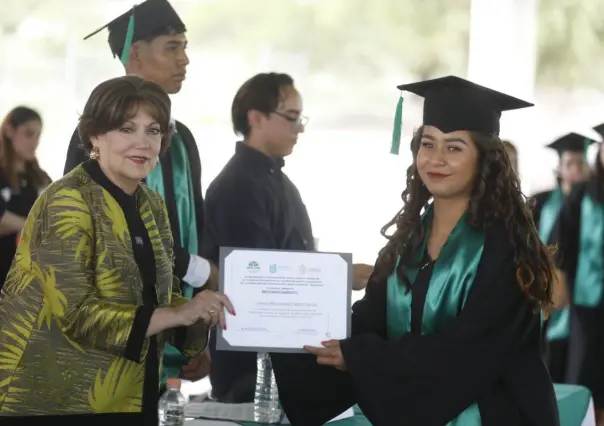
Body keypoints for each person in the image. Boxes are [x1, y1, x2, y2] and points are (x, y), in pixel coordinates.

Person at [270, 76, 559, 426]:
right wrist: (290, 326)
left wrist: (361, 356)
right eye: (428, 143)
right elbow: (370, 319)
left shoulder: (505, 249)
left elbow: (466, 352)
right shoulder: (408, 240)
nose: (436, 159)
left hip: (493, 415)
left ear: (485, 160)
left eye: (454, 148)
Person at [0, 75, 233, 423]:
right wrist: (177, 315)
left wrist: (199, 318)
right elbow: (76, 314)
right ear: (95, 135)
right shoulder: (66, 200)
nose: (142, 143)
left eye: (153, 131)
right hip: (55, 401)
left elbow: (163, 297)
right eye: (126, 128)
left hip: (130, 396)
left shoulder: (150, 204)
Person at [64, 0, 213, 384]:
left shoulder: (183, 140)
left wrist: (197, 335)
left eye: (185, 47)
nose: (185, 60)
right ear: (135, 54)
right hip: (109, 342)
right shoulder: (97, 138)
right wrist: (203, 271)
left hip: (174, 328)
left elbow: (198, 221)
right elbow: (105, 243)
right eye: (172, 47)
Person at [202, 72, 374, 403]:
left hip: (281, 358)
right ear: (256, 117)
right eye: (292, 118)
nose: (301, 128)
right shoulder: (239, 185)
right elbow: (255, 277)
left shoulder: (274, 179)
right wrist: (341, 275)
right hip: (252, 368)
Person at [549, 139, 604, 425]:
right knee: (587, 371)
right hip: (588, 302)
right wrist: (559, 281)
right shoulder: (584, 193)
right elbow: (560, 239)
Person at [0, 106, 50, 289]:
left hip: (28, 280)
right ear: (9, 131)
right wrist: (29, 225)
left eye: (38, 136)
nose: (35, 142)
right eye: (29, 134)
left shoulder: (39, 178)